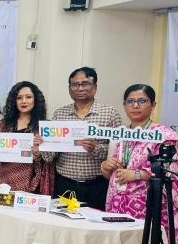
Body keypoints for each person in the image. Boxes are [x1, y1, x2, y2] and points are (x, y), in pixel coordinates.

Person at [101, 84, 178, 244]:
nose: (135, 105)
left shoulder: (165, 136)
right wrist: (105, 166)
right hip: (117, 207)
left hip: (150, 208)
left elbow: (171, 171)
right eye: (130, 101)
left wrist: (136, 174)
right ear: (124, 105)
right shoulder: (120, 135)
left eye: (142, 101)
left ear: (153, 105)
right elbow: (109, 174)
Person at [43, 67, 121, 209]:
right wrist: (45, 144)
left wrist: (95, 148)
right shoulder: (59, 114)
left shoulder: (110, 113)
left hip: (97, 185)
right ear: (69, 89)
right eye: (75, 84)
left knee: (95, 221)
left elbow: (118, 151)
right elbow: (49, 157)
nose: (80, 88)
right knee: (62, 220)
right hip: (64, 184)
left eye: (85, 84)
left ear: (95, 87)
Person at [0, 81, 54, 194]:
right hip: (6, 180)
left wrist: (40, 151)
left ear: (35, 99)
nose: (23, 101)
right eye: (19, 98)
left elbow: (50, 158)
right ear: (14, 101)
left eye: (28, 97)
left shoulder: (45, 126)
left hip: (34, 182)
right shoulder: (4, 124)